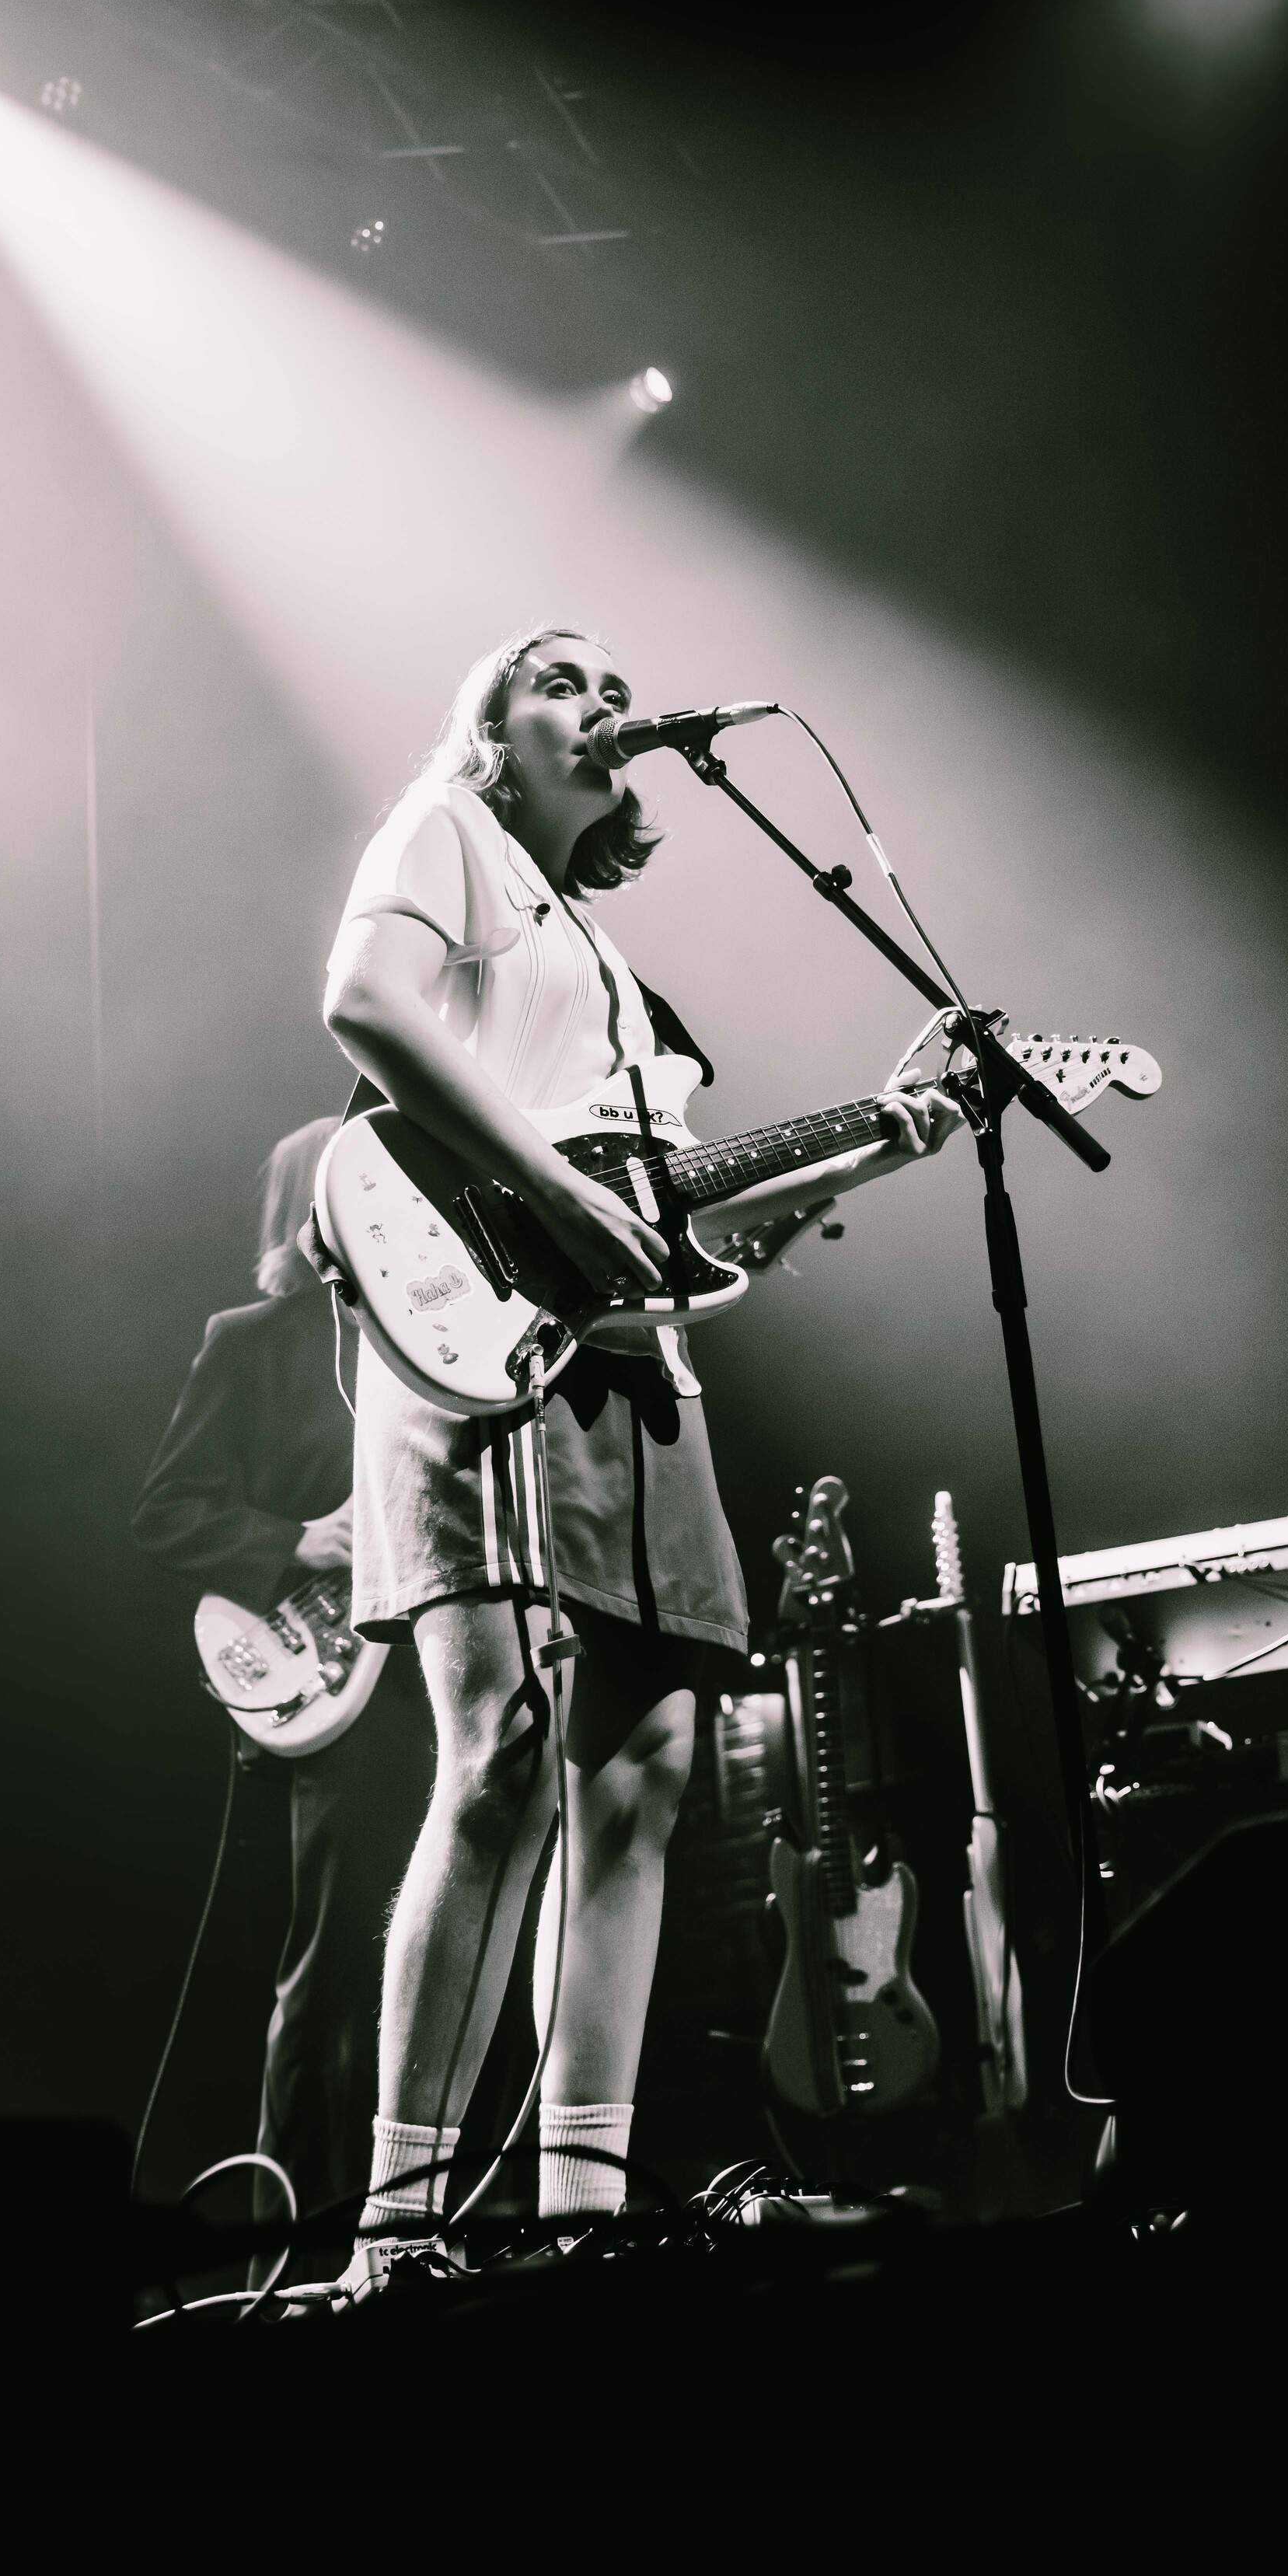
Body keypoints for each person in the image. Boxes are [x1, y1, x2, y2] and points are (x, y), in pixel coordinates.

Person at [320, 623, 958, 2285]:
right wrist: (550, 1185)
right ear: (492, 727)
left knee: (645, 1771)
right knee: (502, 1755)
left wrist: (869, 1151)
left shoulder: (603, 953)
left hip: (636, 1367)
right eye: (560, 682)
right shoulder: (446, 830)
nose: (602, 705)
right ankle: (397, 2225)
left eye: (614, 688)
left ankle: (581, 2209)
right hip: (487, 1337)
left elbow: (684, 1226)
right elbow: (363, 1005)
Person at [131, 1120, 435, 2255]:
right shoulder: (253, 1342)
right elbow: (166, 1510)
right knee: (336, 1967)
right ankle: (294, 2246)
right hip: (334, 1679)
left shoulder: (426, 1330)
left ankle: (419, 2222)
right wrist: (296, 1541)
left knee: (437, 1955)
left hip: (439, 1663)